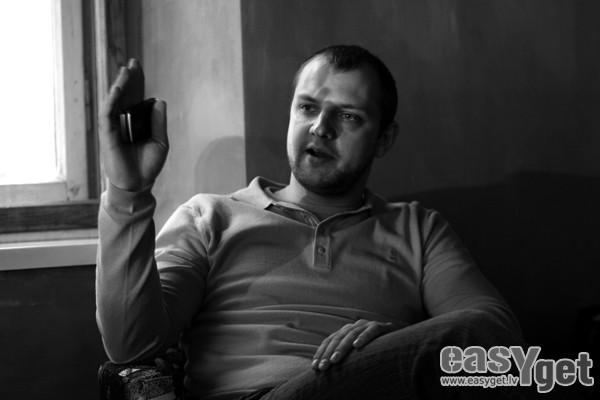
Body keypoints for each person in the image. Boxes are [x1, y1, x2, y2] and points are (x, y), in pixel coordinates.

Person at [96, 45, 569, 400]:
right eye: (307, 107)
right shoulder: (210, 217)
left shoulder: (417, 229)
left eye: (348, 116)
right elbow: (131, 346)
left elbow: (491, 333)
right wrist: (127, 193)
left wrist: (395, 346)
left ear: (384, 140)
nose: (320, 128)